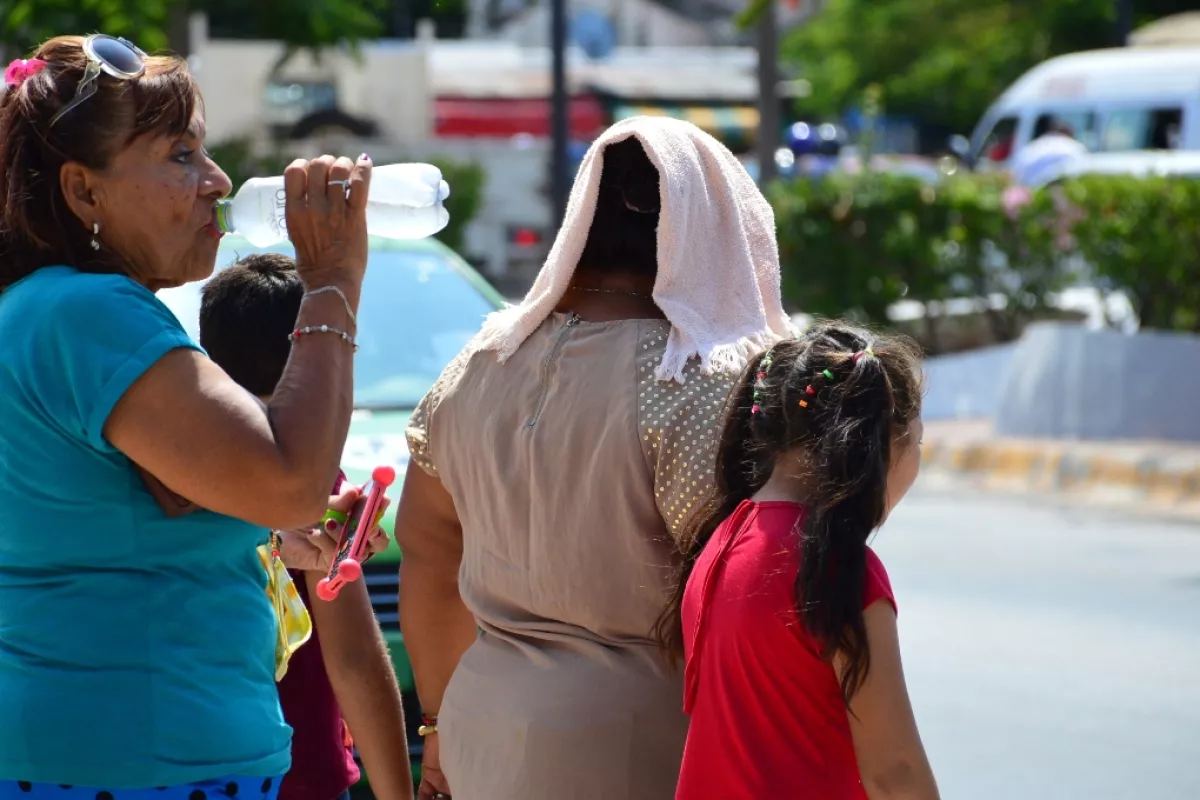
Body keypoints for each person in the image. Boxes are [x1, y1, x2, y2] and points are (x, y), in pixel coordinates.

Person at [0, 34, 372, 798]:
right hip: (141, 758)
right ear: (83, 191)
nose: (216, 180)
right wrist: (331, 280)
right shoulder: (90, 312)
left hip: (99, 751)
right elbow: (292, 486)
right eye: (178, 155)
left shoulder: (44, 307)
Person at [395, 116, 793, 800]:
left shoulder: (479, 363)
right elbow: (754, 596)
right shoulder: (704, 384)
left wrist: (437, 729)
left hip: (483, 726)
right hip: (642, 746)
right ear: (714, 226)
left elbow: (427, 547)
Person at [659, 323, 940, 800]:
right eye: (916, 443)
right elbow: (896, 773)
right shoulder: (840, 570)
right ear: (880, 443)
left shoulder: (718, 542)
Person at [199, 254, 413, 800]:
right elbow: (355, 657)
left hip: (186, 769)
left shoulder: (180, 458)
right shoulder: (309, 475)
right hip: (302, 775)